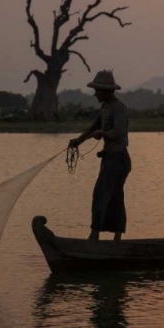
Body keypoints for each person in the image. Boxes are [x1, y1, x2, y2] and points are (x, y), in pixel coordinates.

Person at [69, 70, 131, 241]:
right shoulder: (105, 107)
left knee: (102, 194)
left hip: (118, 158)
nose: (95, 93)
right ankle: (115, 238)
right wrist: (78, 140)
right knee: (114, 195)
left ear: (106, 91)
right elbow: (93, 127)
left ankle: (95, 236)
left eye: (97, 90)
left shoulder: (119, 108)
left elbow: (118, 132)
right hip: (110, 157)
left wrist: (102, 133)